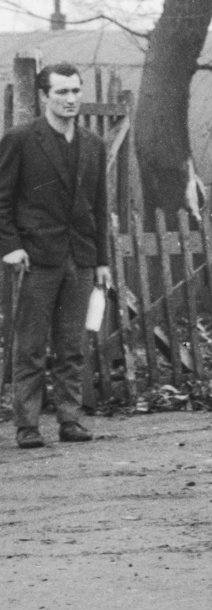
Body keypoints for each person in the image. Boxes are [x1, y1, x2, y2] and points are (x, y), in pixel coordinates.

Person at [0, 63, 112, 448]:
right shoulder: (20, 139)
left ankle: (70, 419)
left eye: (75, 91)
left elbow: (99, 207)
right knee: (30, 347)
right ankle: (27, 425)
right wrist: (11, 246)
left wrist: (101, 261)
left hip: (79, 257)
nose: (71, 99)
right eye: (62, 92)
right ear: (44, 96)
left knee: (72, 345)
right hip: (35, 257)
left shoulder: (93, 145)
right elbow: (2, 200)